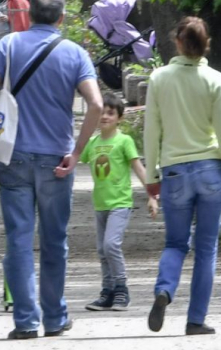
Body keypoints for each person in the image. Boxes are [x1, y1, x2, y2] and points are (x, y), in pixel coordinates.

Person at [0, 0, 104, 340]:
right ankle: (55, 317)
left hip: (13, 156)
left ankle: (25, 322)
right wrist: (77, 152)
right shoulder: (75, 53)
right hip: (57, 159)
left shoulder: (9, 46)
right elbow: (95, 104)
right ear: (61, 19)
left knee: (18, 239)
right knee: (54, 240)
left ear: (28, 15)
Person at [144, 16, 221, 336]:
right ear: (206, 45)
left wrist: (151, 174)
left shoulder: (159, 78)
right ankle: (196, 320)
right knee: (206, 248)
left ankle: (165, 289)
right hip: (211, 171)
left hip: (174, 172)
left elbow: (152, 131)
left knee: (175, 243)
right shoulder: (216, 80)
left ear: (177, 41)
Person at [82, 92, 159, 312]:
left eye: (110, 113)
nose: (105, 117)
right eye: (102, 112)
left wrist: (152, 196)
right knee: (101, 249)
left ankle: (122, 290)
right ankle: (107, 292)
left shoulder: (124, 141)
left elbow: (138, 168)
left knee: (110, 245)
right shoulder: (92, 143)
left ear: (120, 118)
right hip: (100, 204)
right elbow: (75, 156)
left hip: (120, 204)